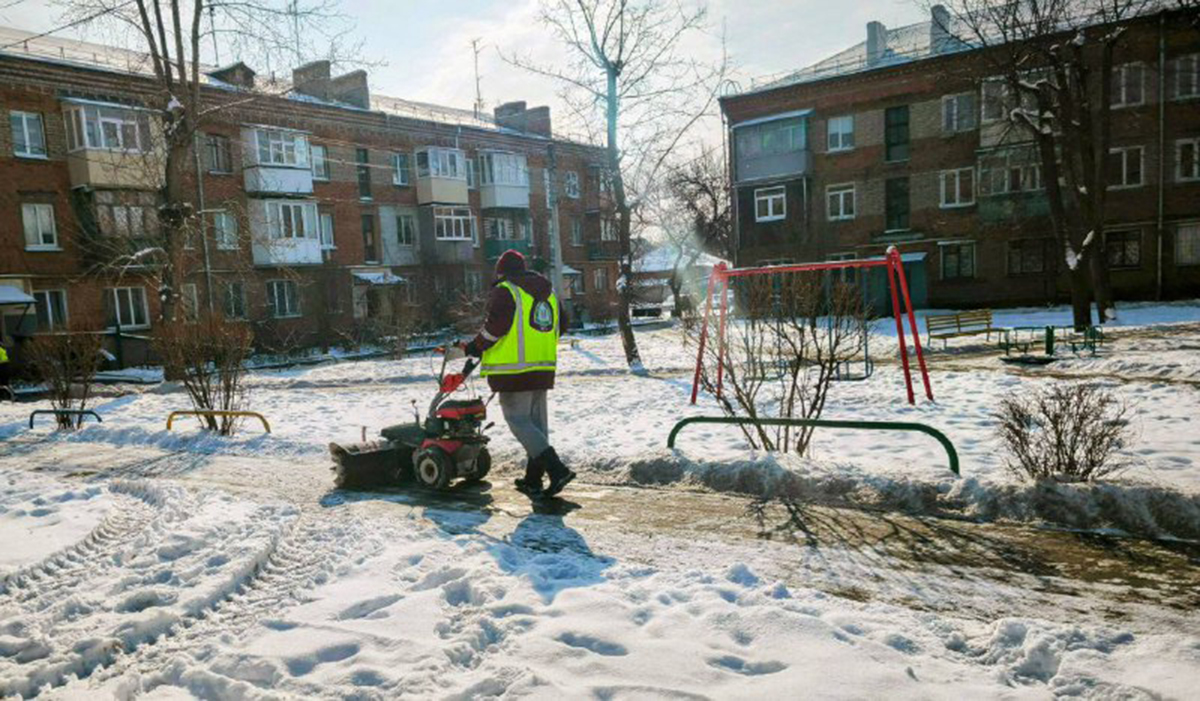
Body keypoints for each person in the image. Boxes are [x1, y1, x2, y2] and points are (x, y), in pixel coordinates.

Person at [463, 250, 575, 498]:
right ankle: (532, 479)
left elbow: (496, 327)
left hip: (514, 371)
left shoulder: (506, 290)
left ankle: (557, 470)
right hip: (543, 367)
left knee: (519, 421)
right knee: (536, 424)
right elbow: (562, 324)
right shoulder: (548, 292)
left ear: (501, 271)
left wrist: (475, 346)